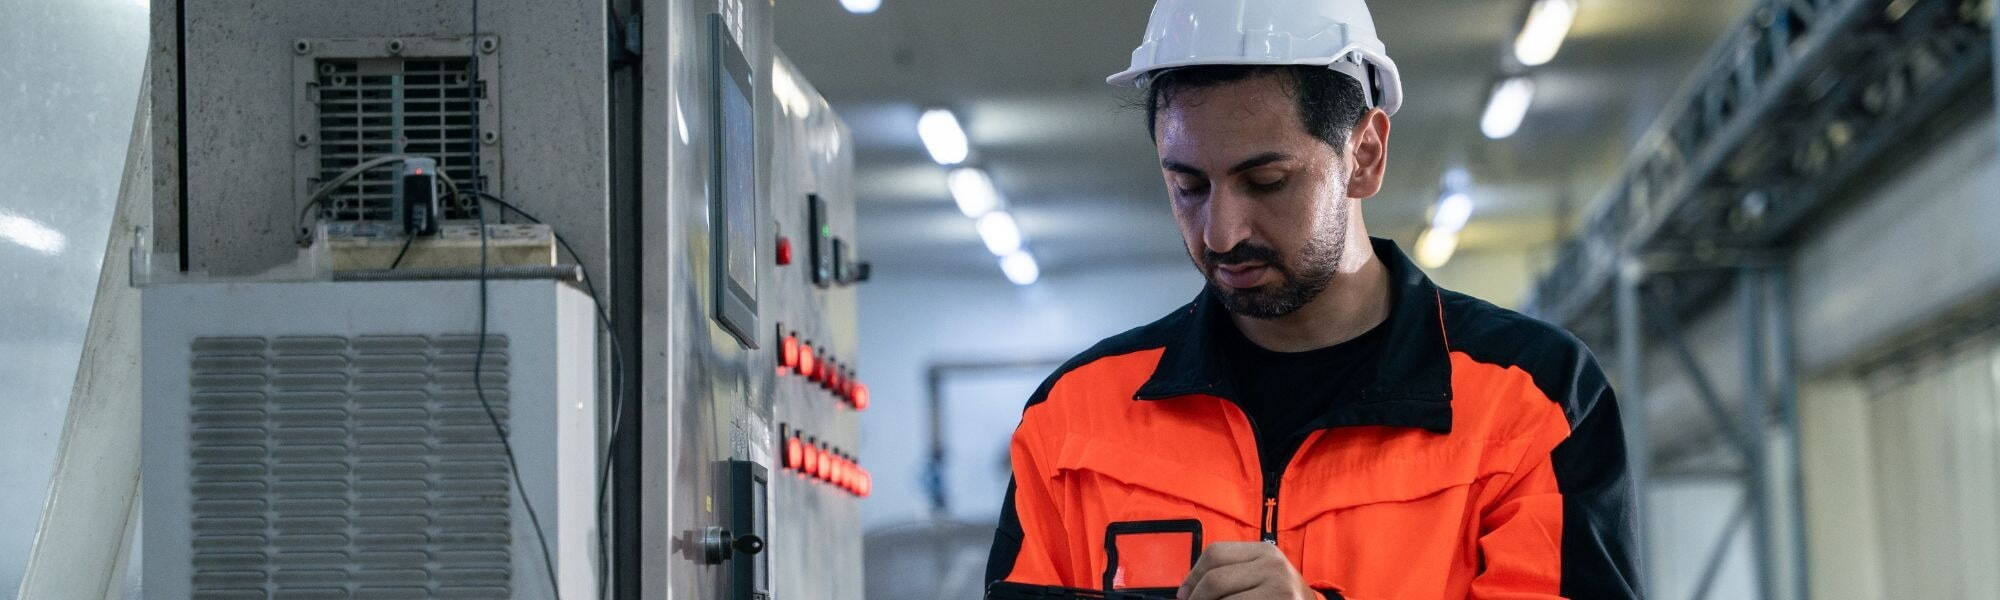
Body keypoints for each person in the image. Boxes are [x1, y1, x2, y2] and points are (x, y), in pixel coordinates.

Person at [982, 1, 1639, 598]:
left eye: (1266, 181)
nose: (1221, 231)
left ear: (1366, 154)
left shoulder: (1528, 403)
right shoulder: (1072, 424)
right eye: (1187, 186)